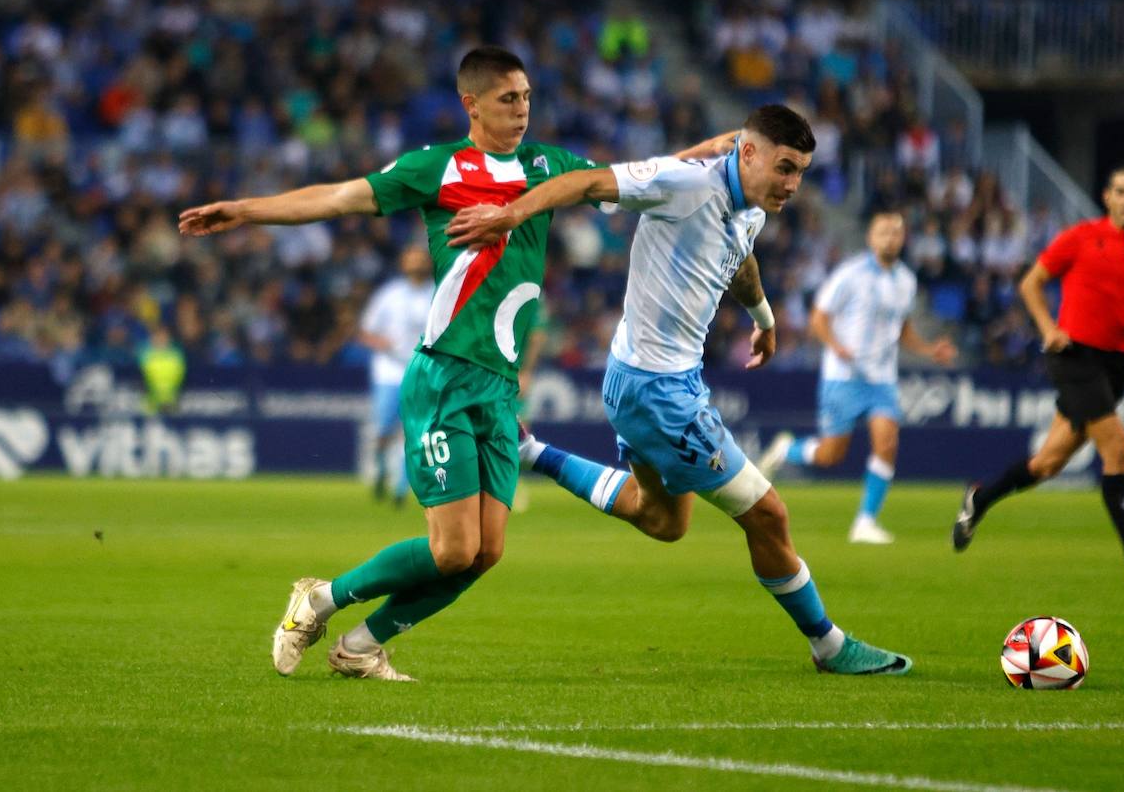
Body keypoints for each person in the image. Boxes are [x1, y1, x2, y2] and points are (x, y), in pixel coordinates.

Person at [180, 46, 734, 682]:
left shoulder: (549, 165)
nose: (522, 109)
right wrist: (246, 210)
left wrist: (726, 147)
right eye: (507, 99)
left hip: (498, 387)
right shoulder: (436, 168)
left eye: (527, 97)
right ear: (471, 104)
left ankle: (360, 645)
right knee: (453, 549)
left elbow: (653, 173)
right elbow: (338, 198)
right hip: (445, 373)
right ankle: (321, 598)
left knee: (486, 552)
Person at [448, 105, 913, 676]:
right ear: (748, 153)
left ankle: (528, 451)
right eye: (785, 167)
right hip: (657, 390)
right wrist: (509, 215)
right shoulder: (682, 183)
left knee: (664, 521)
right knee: (768, 515)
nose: (792, 184)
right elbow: (588, 181)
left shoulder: (753, 208)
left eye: (801, 172)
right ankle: (829, 645)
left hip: (653, 379)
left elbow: (740, 260)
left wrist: (764, 317)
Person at [950, 162, 1124, 587]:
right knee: (1119, 448)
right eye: (1121, 192)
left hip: (1117, 363)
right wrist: (1048, 328)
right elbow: (1030, 284)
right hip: (1073, 356)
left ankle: (979, 498)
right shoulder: (1080, 238)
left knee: (1048, 463)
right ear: (1107, 197)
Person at [758, 211, 956, 545]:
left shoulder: (906, 281)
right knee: (831, 455)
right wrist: (838, 347)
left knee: (887, 442)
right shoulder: (850, 275)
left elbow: (902, 330)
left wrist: (927, 350)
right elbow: (819, 317)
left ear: (903, 239)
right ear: (871, 238)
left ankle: (865, 522)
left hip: (881, 379)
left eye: (896, 232)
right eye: (884, 232)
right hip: (843, 377)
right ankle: (787, 449)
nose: (890, 238)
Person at [358, 246, 435, 506]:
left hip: (422, 373)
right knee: (383, 431)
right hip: (389, 372)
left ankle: (401, 489)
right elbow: (366, 331)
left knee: (413, 433)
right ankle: (381, 470)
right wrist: (382, 343)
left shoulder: (437, 294)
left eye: (420, 259)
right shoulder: (389, 295)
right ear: (403, 263)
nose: (416, 263)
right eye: (412, 259)